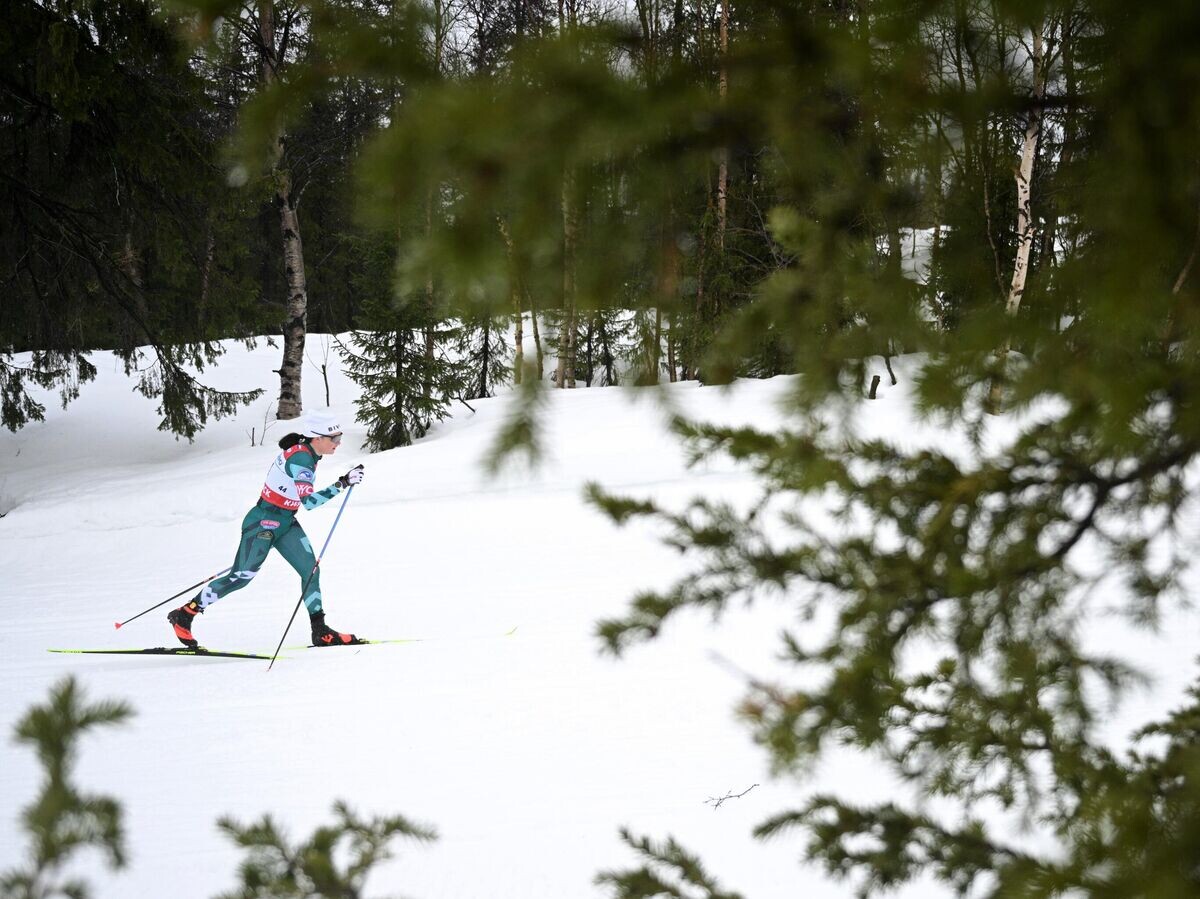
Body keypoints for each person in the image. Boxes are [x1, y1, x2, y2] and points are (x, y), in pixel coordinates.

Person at [168, 410, 366, 648]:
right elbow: (310, 502)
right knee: (241, 577)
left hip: (285, 522)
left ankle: (320, 630)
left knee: (310, 571)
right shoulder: (301, 459)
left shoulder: (308, 452)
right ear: (317, 438)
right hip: (263, 522)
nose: (338, 443)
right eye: (334, 438)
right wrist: (343, 483)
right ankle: (185, 614)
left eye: (339, 437)